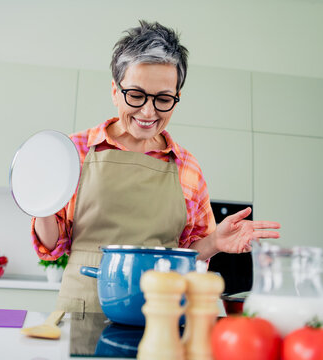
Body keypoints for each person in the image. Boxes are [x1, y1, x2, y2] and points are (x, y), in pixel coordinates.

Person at [31, 20, 280, 313]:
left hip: (160, 318)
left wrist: (214, 242)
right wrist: (41, 203)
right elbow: (53, 248)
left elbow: (186, 255)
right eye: (135, 95)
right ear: (115, 90)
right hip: (82, 312)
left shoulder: (187, 167)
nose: (148, 112)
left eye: (163, 99)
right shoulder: (75, 151)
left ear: (176, 99)